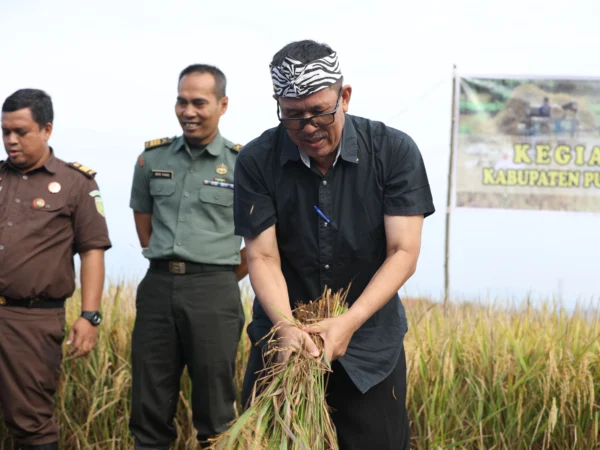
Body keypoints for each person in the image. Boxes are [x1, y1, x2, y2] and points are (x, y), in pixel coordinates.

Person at [234, 40, 435, 450]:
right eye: (293, 116)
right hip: (286, 340)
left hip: (369, 346)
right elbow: (262, 255)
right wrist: (287, 327)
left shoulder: (393, 151)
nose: (308, 127)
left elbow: (403, 252)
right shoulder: (257, 159)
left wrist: (348, 322)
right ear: (278, 105)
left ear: (344, 96)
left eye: (320, 112)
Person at [128, 64, 248, 450]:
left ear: (223, 104)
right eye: (182, 101)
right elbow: (144, 226)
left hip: (214, 289)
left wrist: (220, 277)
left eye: (199, 102)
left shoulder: (243, 165)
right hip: (158, 286)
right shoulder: (152, 159)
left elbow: (262, 241)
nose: (188, 111)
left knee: (215, 411)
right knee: (149, 404)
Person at [0, 88, 112, 450]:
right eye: (5, 132)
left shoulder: (76, 183)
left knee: (31, 422)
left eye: (21, 132)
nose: (11, 141)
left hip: (31, 321)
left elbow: (92, 250)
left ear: (47, 130)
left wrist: (90, 315)